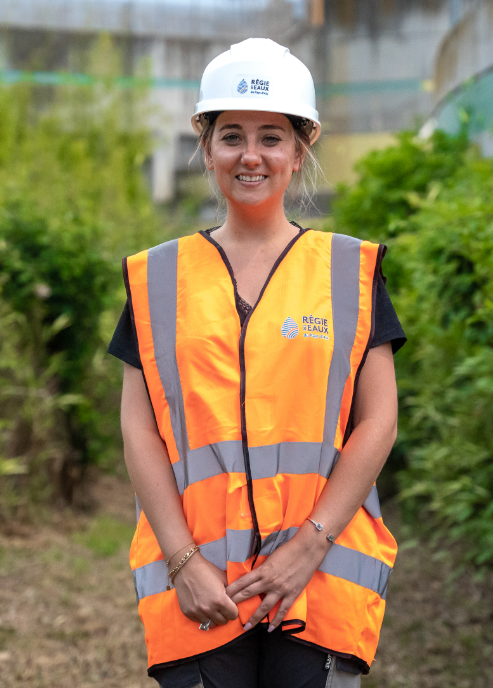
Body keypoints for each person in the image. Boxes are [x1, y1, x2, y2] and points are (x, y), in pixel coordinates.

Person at [108, 37, 406, 688]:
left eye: (271, 137)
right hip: (199, 588)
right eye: (231, 135)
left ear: (301, 150)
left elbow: (379, 420)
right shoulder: (156, 278)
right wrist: (182, 561)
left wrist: (309, 546)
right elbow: (138, 430)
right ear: (205, 145)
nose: (251, 155)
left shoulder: (348, 273)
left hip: (320, 582)